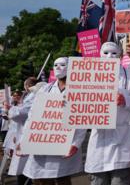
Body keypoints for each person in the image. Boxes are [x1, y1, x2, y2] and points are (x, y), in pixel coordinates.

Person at [22, 57, 86, 185]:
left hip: (64, 145)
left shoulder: (79, 89)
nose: (58, 67)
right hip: (42, 145)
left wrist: (76, 143)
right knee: (41, 180)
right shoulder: (45, 89)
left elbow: (82, 118)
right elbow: (32, 115)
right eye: (55, 65)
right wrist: (24, 139)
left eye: (62, 65)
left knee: (62, 179)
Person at [85, 41, 130, 185]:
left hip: (123, 141)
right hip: (98, 142)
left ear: (120, 56)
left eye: (114, 53)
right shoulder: (88, 75)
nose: (110, 56)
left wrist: (126, 100)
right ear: (99, 55)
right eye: (106, 53)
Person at [6, 77, 41, 185]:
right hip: (22, 133)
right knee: (25, 168)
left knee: (27, 168)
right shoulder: (28, 97)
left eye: (26, 85)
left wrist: (10, 109)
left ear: (28, 86)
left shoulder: (34, 96)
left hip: (28, 135)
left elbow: (20, 114)